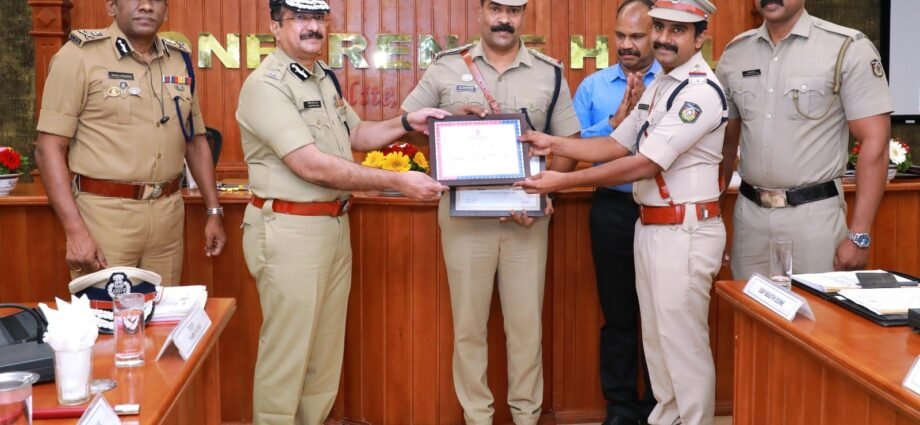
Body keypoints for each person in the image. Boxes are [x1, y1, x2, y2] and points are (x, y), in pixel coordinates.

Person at [235, 1, 449, 423]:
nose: (312, 27)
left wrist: (408, 121)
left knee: (323, 354)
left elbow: (359, 134)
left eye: (318, 18)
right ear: (275, 27)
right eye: (300, 18)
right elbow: (310, 165)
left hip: (332, 224)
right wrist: (397, 180)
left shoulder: (321, 76)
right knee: (288, 355)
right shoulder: (267, 85)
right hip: (290, 229)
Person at [516, 1, 725, 423]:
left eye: (678, 30)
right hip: (651, 227)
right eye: (660, 27)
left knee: (682, 350)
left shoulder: (699, 92)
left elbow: (645, 163)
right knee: (658, 346)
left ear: (700, 37)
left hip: (683, 232)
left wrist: (561, 182)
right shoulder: (661, 85)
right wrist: (552, 143)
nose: (664, 38)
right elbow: (615, 144)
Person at [401, 0, 581, 423]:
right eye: (496, 8)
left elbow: (568, 143)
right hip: (465, 220)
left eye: (514, 11)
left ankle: (526, 417)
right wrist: (449, 124)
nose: (505, 19)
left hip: (526, 219)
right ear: (481, 11)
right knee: (468, 328)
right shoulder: (446, 67)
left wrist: (546, 192)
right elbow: (411, 124)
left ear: (524, 15)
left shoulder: (549, 72)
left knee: (526, 329)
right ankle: (477, 417)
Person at [34, 0, 226, 285]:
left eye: (156, 0)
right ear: (112, 6)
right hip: (105, 217)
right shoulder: (79, 56)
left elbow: (195, 142)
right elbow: (48, 148)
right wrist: (75, 230)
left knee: (162, 308)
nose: (146, 6)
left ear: (166, 11)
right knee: (106, 310)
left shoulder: (179, 60)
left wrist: (214, 211)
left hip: (167, 215)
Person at [716, 0, 893, 279]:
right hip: (750, 218)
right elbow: (724, 146)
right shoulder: (735, 53)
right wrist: (712, 219)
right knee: (748, 306)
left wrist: (859, 235)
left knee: (816, 306)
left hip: (814, 218)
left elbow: (876, 142)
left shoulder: (846, 47)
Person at [570, 1, 659, 423]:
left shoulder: (675, 83)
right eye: (620, 36)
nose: (626, 45)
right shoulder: (593, 87)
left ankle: (659, 406)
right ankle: (621, 407)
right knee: (618, 314)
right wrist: (614, 121)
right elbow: (577, 149)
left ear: (656, 34)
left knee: (660, 314)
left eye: (636, 36)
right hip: (611, 209)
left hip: (660, 209)